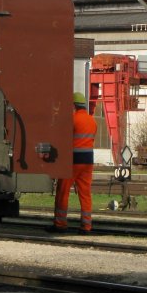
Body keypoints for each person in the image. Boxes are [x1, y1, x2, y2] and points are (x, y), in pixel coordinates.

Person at [50, 91, 98, 233]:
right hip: (88, 160)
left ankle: (60, 224)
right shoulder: (92, 121)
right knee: (85, 193)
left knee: (63, 191)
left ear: (74, 105)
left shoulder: (72, 119)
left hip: (73, 160)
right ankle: (86, 226)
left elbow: (63, 138)